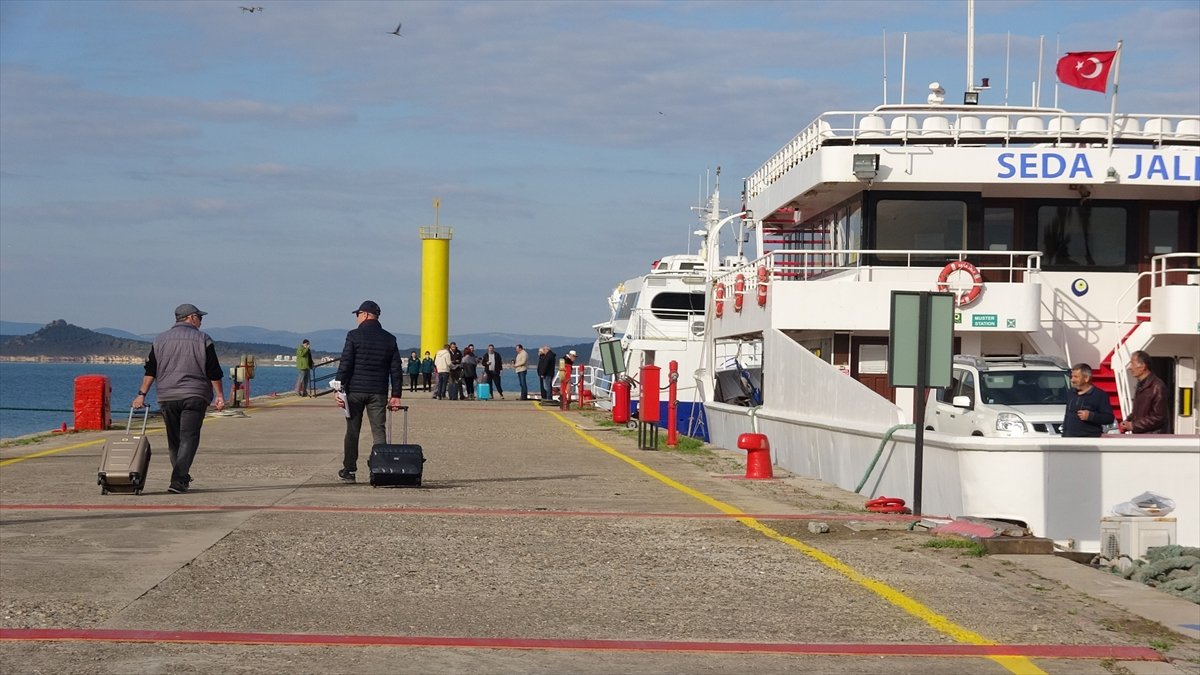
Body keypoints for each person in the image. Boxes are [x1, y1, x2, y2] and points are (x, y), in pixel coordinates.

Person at [132, 303, 225, 494]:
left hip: (167, 396)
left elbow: (151, 371)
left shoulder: (160, 340)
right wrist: (220, 395)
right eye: (199, 317)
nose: (201, 321)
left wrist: (141, 394)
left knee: (174, 440)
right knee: (189, 437)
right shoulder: (203, 339)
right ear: (191, 318)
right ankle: (179, 479)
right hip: (195, 395)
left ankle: (180, 477)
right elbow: (213, 371)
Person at [333, 300, 403, 483]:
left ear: (364, 314)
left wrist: (338, 389)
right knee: (378, 430)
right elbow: (396, 369)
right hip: (378, 391)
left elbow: (345, 363)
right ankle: (381, 469)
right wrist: (396, 395)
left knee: (352, 431)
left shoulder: (354, 336)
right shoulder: (390, 339)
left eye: (357, 314)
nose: (357, 318)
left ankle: (349, 470)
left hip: (355, 391)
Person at [1119, 350, 1169, 434]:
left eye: (1132, 363)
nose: (1130, 367)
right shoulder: (1142, 385)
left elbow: (1159, 416)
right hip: (1143, 436)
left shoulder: (1157, 386)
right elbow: (1139, 412)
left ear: (1143, 366)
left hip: (1152, 438)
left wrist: (1133, 425)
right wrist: (1128, 421)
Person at [1062, 363, 1114, 438]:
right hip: (1070, 440)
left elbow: (1109, 418)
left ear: (1086, 378)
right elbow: (1067, 416)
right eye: (1071, 377)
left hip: (1090, 440)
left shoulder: (1100, 395)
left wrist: (1091, 416)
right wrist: (1064, 436)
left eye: (1076, 377)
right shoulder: (1071, 393)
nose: (1072, 380)